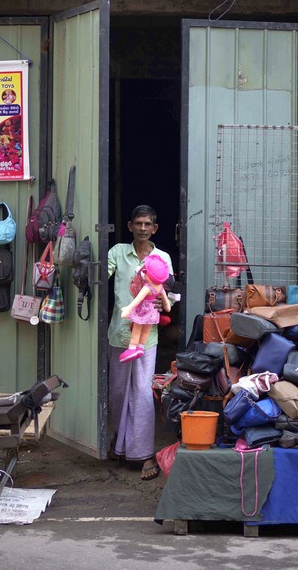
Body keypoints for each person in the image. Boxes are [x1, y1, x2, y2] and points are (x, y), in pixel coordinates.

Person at [106, 205, 174, 481]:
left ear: (155, 228)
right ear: (130, 227)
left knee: (144, 394)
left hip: (148, 337)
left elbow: (168, 290)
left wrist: (163, 300)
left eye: (148, 224)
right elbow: (100, 276)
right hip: (119, 334)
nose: (143, 228)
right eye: (138, 223)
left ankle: (144, 454)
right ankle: (117, 446)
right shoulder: (117, 253)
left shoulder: (162, 257)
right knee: (118, 392)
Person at [117, 254, 172, 362]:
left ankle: (132, 348)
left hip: (143, 311)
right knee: (146, 331)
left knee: (137, 329)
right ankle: (141, 348)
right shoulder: (160, 287)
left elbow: (137, 299)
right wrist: (167, 307)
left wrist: (128, 308)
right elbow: (165, 301)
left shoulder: (147, 287)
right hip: (153, 313)